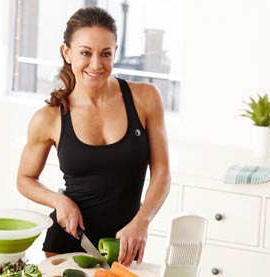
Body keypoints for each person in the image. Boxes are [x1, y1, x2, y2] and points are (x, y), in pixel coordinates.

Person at [16, 7, 170, 267]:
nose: (96, 64)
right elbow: (24, 179)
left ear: (115, 51)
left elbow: (162, 173)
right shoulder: (50, 117)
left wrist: (141, 222)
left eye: (105, 53)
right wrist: (58, 200)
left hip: (124, 246)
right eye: (85, 53)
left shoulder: (145, 98)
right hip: (66, 248)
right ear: (67, 52)